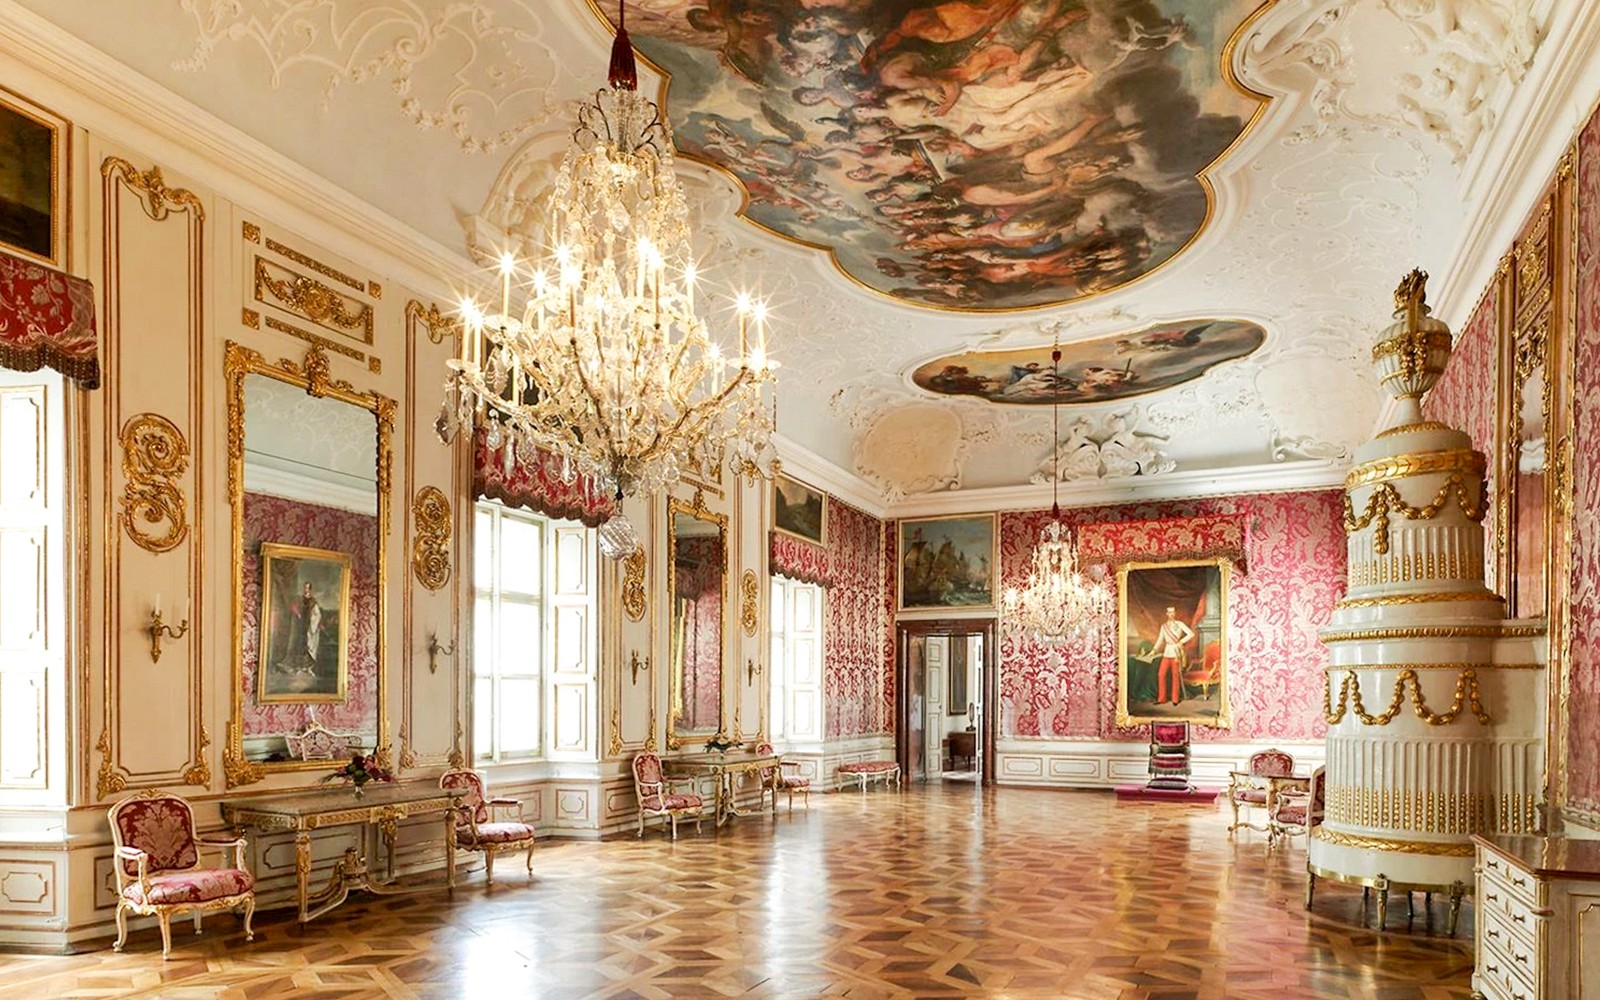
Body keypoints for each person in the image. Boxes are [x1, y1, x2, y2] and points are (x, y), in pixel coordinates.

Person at [1153, 606, 1194, 705]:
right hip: (1167, 652)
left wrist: (1181, 641)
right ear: (1166, 614)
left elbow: (1191, 634)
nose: (1171, 614)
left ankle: (1175, 699)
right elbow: (1160, 640)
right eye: (1169, 612)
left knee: (1175, 675)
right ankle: (1161, 699)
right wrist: (1154, 650)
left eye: (1173, 612)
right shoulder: (1164, 626)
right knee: (1161, 674)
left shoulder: (1180, 624)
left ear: (1175, 613)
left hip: (1176, 652)